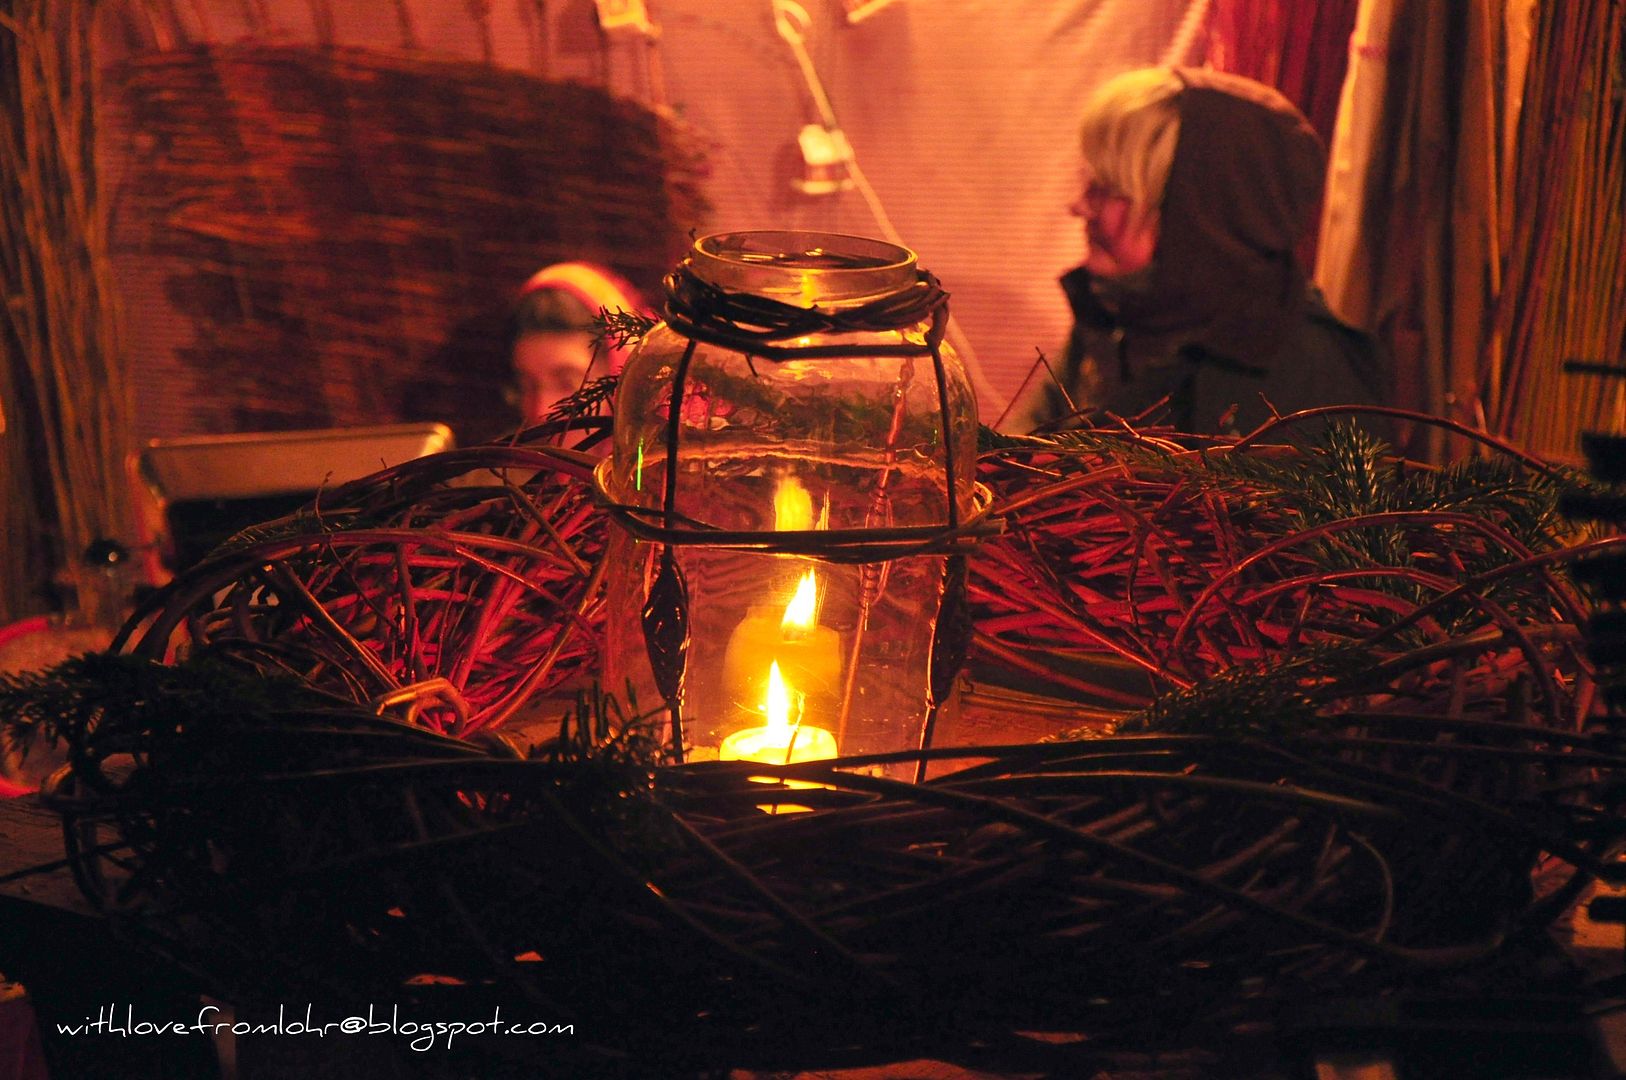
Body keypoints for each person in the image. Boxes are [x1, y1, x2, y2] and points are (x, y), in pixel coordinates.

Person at [1005, 67, 1384, 437]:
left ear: (1196, 218)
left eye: (1107, 187)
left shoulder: (1310, 382)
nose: (1080, 206)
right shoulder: (1123, 316)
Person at [507, 261, 650, 425]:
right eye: (527, 386)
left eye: (567, 383)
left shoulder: (667, 449)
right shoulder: (507, 449)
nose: (541, 411)